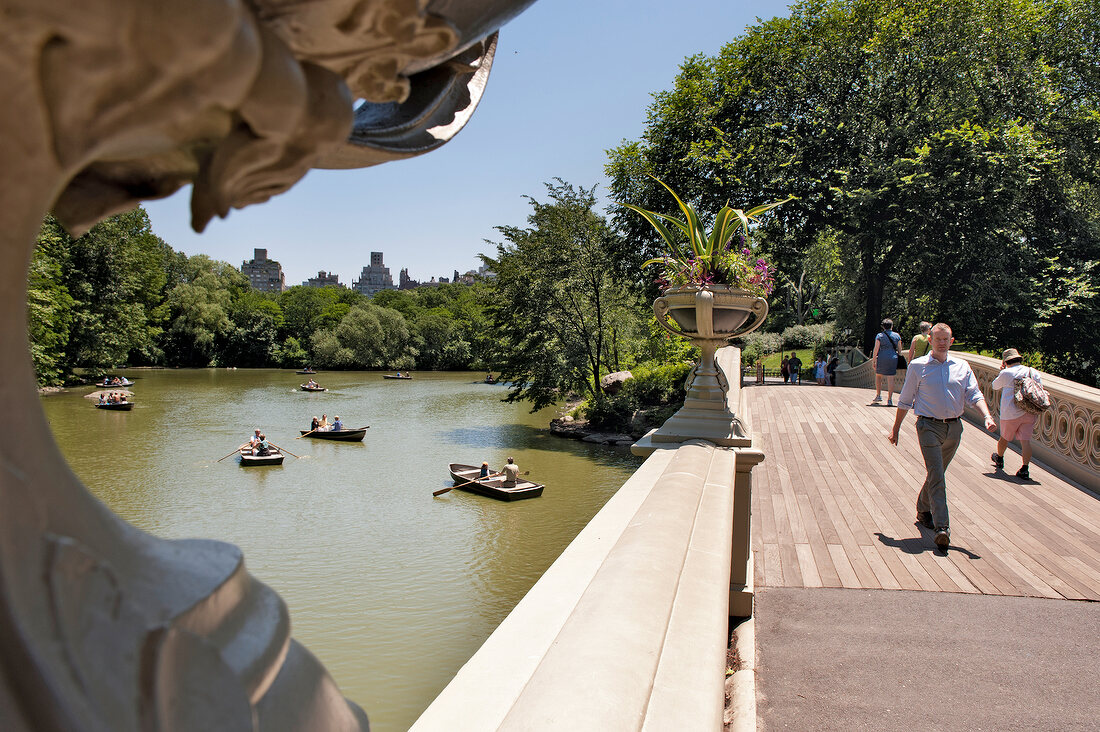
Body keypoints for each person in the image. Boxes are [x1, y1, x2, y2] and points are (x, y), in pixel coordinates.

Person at [888, 323, 997, 550]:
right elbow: (906, 399)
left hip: (954, 429)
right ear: (929, 340)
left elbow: (973, 393)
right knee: (937, 475)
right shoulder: (918, 366)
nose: (941, 342)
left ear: (951, 341)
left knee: (936, 473)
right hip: (928, 426)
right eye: (937, 338)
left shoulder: (962, 366)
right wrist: (896, 428)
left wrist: (986, 416)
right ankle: (942, 528)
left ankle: (922, 508)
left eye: (945, 339)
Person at [991, 348, 1040, 480]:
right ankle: (1024, 469)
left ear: (1005, 361)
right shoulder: (1032, 371)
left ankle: (999, 458)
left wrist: (1002, 371)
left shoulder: (1006, 373)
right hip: (1029, 411)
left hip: (1010, 413)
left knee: (1004, 438)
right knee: (1026, 441)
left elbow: (994, 386)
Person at [872, 318, 903, 405]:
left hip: (882, 357)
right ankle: (890, 399)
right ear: (892, 326)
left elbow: (876, 349)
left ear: (883, 327)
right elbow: (900, 350)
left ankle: (878, 395)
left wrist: (874, 360)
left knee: (878, 376)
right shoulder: (897, 336)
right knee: (891, 378)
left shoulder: (879, 336)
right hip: (893, 357)